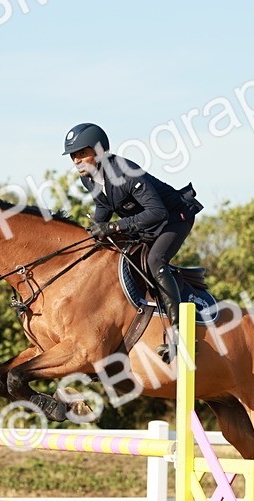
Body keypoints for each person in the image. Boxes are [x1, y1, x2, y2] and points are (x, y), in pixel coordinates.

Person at [62, 122, 202, 361]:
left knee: (155, 260)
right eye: (73, 156)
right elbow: (104, 204)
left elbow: (157, 212)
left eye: (82, 153)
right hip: (146, 224)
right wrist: (91, 235)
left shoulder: (125, 173)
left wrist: (113, 227)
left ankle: (181, 334)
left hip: (174, 218)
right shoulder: (88, 178)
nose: (76, 160)